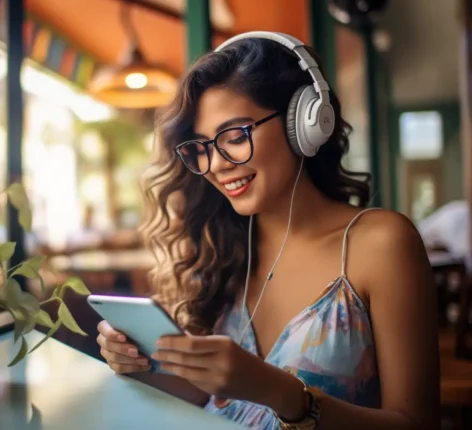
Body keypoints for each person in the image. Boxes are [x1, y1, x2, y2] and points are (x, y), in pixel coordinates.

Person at [96, 32, 440, 429]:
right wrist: (144, 366)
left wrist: (281, 393)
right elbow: (217, 399)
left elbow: (418, 423)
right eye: (203, 147)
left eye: (236, 135)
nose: (218, 164)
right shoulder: (223, 248)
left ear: (304, 122)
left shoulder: (380, 244)